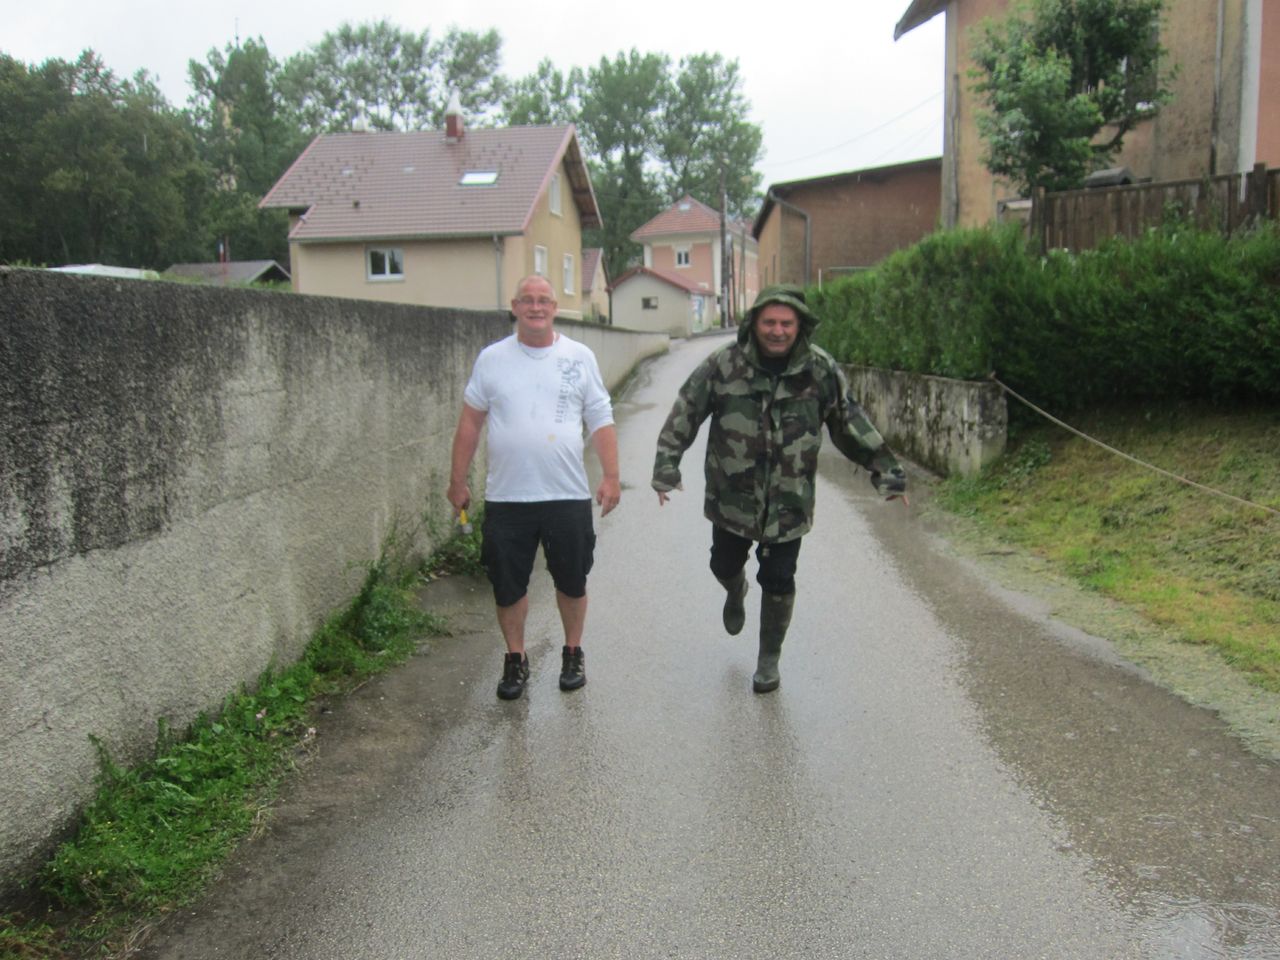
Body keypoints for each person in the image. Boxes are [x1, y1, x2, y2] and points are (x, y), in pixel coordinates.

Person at [651, 284, 907, 693]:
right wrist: (667, 466)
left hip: (789, 501)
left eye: (786, 323)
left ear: (799, 325)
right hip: (732, 499)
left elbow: (849, 422)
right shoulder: (724, 365)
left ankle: (768, 658)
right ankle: (735, 588)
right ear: (754, 323)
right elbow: (686, 410)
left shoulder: (820, 370)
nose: (777, 330)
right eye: (769, 322)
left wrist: (886, 470)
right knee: (722, 564)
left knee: (779, 579)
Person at [448, 275, 621, 700]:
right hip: (508, 498)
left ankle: (573, 652)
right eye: (527, 300)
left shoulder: (579, 357)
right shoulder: (492, 359)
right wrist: (457, 480)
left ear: (555, 308)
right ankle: (516, 658)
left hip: (567, 495)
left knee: (572, 581)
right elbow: (470, 422)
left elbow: (600, 418)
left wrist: (611, 476)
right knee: (507, 585)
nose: (536, 307)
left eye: (544, 300)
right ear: (515, 307)